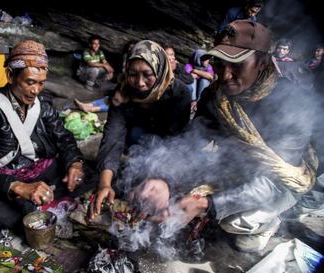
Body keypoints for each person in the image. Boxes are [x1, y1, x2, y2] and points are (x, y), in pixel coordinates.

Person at [131, 20, 318, 252]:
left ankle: (267, 223)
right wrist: (163, 179)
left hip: (282, 180)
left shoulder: (292, 104)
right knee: (183, 186)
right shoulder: (216, 95)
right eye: (219, 64)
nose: (225, 75)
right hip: (235, 162)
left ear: (261, 62)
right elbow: (192, 142)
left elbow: (273, 182)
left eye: (237, 65)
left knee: (232, 220)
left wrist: (208, 204)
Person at [0, 40, 86, 229]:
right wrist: (17, 186)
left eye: (41, 83)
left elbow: (64, 138)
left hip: (39, 171)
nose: (35, 90)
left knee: (88, 175)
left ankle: (33, 208)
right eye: (29, 82)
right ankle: (36, 209)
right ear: (11, 76)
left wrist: (75, 163)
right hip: (5, 178)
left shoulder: (43, 104)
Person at [91, 40, 192, 219]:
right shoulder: (121, 93)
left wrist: (159, 179)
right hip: (138, 139)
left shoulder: (179, 93)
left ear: (159, 70)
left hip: (166, 140)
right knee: (137, 138)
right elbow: (113, 136)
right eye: (133, 74)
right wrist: (105, 183)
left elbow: (174, 140)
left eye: (147, 74)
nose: (140, 83)